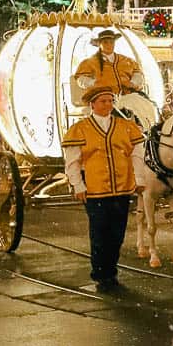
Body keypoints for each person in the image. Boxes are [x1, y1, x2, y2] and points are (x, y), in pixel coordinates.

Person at [62, 86, 149, 293]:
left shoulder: (126, 127)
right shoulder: (81, 129)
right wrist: (78, 184)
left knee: (117, 233)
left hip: (121, 188)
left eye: (110, 101)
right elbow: (72, 161)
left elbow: (137, 154)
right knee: (100, 232)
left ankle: (111, 270)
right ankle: (101, 274)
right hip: (95, 189)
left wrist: (138, 177)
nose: (108, 105)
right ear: (92, 104)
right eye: (103, 101)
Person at [72, 29, 144, 95]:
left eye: (111, 42)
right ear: (99, 44)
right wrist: (94, 83)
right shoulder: (89, 63)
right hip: (103, 98)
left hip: (127, 96)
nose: (109, 45)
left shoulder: (127, 61)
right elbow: (81, 79)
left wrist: (133, 83)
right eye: (105, 42)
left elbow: (138, 74)